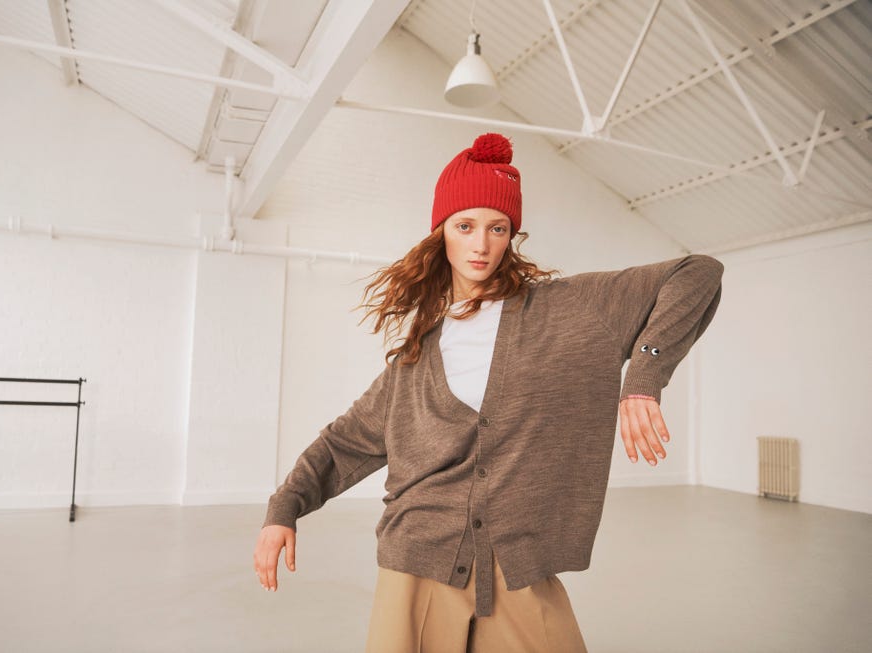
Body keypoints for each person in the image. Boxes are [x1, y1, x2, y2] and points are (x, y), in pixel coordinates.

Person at [253, 133, 724, 651]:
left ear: (510, 236)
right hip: (418, 564)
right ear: (442, 234)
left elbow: (696, 273)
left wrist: (643, 380)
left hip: (518, 566)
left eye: (497, 228)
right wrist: (285, 509)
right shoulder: (416, 358)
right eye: (466, 226)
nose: (481, 244)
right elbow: (343, 444)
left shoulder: (569, 309)